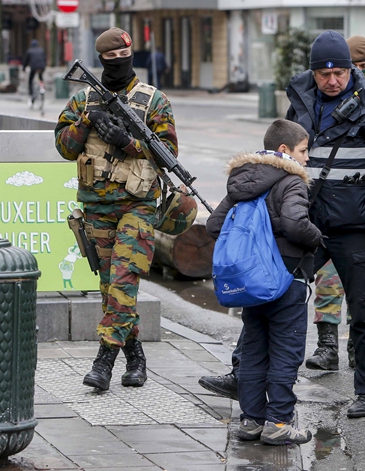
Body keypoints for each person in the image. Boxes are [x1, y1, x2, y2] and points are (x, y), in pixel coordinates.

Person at [287, 30, 365, 418]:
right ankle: (247, 371)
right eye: (324, 74)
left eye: (339, 72)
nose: (333, 81)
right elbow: (287, 161)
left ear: (350, 70)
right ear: (313, 73)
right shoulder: (300, 102)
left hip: (357, 227)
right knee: (273, 291)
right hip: (307, 222)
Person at [54, 27, 178, 391]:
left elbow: (168, 154)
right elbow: (63, 146)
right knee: (112, 288)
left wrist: (129, 142)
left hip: (137, 206)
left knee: (124, 278)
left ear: (132, 55)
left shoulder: (154, 101)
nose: (118, 64)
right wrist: (88, 122)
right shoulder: (83, 99)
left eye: (123, 58)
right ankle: (135, 356)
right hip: (96, 209)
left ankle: (104, 360)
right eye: (110, 60)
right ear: (100, 61)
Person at [206, 120, 322, 446]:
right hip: (286, 278)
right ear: (284, 151)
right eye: (303, 150)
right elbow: (297, 224)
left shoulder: (242, 180)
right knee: (286, 351)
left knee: (255, 350)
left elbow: (214, 225)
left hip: (251, 284)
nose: (307, 158)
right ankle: (280, 423)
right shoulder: (292, 182)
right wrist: (316, 239)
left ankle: (251, 420)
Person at [23, 39, 46, 104]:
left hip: (34, 68)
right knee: (40, 77)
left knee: (30, 80)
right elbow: (44, 58)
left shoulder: (30, 51)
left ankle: (31, 93)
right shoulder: (41, 50)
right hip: (42, 67)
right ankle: (42, 87)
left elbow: (26, 61)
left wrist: (24, 68)